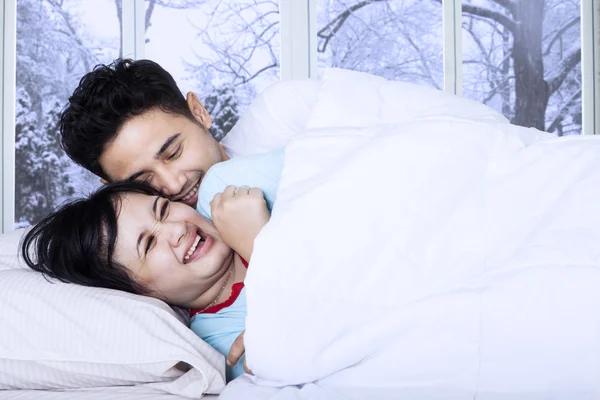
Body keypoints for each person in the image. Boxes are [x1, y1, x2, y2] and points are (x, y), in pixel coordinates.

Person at [21, 181, 270, 382]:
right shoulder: (222, 345)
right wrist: (261, 244)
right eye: (149, 244)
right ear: (138, 293)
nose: (177, 229)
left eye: (163, 210)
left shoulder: (242, 194)